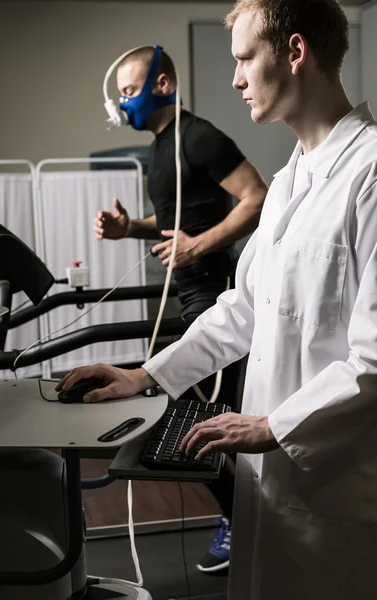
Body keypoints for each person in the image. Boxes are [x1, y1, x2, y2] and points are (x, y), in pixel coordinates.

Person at [56, 0, 377, 597]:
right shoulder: (287, 183)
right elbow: (243, 309)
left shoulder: (371, 175)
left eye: (244, 60)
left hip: (331, 491)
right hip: (269, 486)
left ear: (296, 52)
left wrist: (274, 427)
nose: (235, 79)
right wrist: (145, 375)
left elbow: (375, 360)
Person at [93, 45, 268, 573]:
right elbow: (177, 214)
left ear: (162, 85)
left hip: (213, 292)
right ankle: (243, 518)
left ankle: (243, 522)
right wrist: (134, 229)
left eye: (129, 90)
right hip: (187, 291)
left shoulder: (200, 136)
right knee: (192, 415)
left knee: (205, 418)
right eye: (121, 94)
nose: (123, 102)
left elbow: (255, 196)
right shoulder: (162, 146)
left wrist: (199, 246)